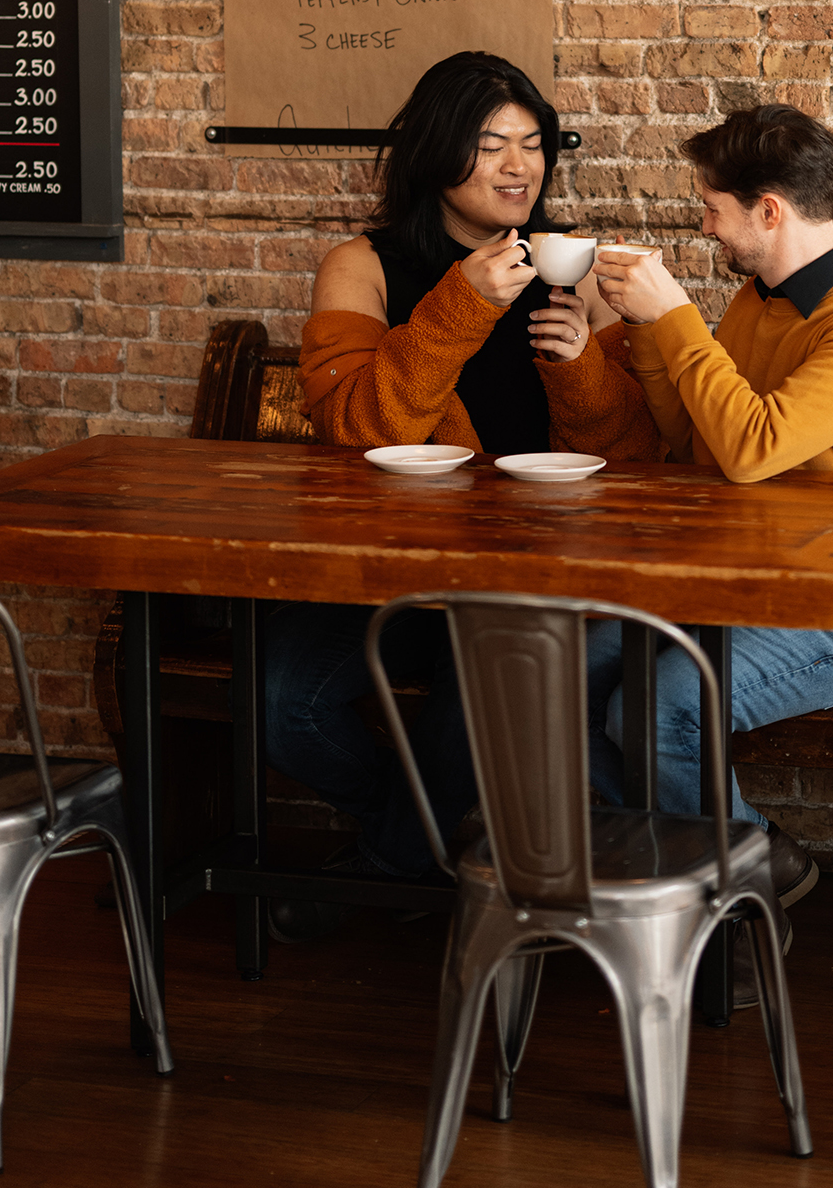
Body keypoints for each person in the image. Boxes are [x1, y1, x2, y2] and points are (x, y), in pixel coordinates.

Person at [264, 52, 657, 928]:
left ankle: (389, 864)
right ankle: (414, 849)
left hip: (530, 576)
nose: (519, 166)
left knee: (472, 707)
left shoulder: (575, 270)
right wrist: (456, 307)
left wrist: (583, 367)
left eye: (533, 144)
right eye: (490, 145)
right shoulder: (360, 267)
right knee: (280, 701)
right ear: (438, 153)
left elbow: (632, 459)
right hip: (385, 570)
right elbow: (351, 428)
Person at [592, 101, 833, 1004]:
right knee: (564, 665)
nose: (704, 223)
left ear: (767, 210)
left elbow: (752, 447)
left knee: (654, 709)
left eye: (712, 206)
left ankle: (737, 907)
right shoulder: (752, 304)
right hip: (732, 585)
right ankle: (712, 880)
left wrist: (678, 321)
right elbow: (691, 442)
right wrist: (643, 329)